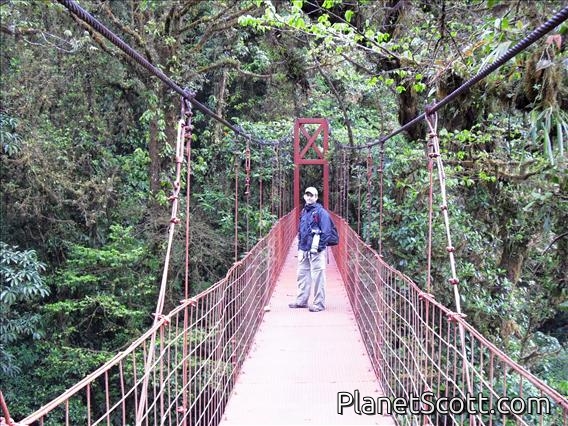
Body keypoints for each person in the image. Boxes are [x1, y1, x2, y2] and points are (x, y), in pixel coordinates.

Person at [288, 186, 333, 312]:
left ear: (316, 197)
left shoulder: (321, 212)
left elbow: (326, 232)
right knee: (302, 275)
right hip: (304, 249)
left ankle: (319, 304)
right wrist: (299, 247)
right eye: (307, 194)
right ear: (304, 196)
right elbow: (301, 230)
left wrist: (319, 248)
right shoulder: (304, 211)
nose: (309, 197)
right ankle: (301, 301)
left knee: (318, 277)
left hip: (315, 251)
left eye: (312, 195)